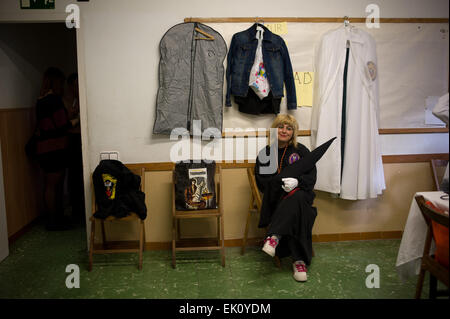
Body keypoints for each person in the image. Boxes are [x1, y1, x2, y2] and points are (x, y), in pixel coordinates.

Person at [255, 114, 317, 282]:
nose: (284, 131)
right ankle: (299, 261)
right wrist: (280, 187)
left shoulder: (301, 151)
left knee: (297, 198)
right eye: (281, 127)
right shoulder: (266, 153)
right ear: (275, 130)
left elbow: (311, 177)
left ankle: (274, 236)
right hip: (276, 200)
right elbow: (262, 182)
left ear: (293, 132)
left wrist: (298, 181)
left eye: (289, 128)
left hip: (302, 196)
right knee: (298, 208)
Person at [35, 67, 73, 230]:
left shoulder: (41, 100)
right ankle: (54, 220)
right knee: (53, 185)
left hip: (44, 147)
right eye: (62, 83)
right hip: (55, 147)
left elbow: (49, 123)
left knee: (50, 184)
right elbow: (61, 125)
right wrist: (75, 120)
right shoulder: (54, 100)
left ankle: (54, 218)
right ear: (57, 82)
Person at [63, 73, 85, 223]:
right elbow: (65, 124)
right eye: (74, 85)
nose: (76, 87)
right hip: (72, 140)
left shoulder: (84, 97)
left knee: (82, 175)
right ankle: (76, 211)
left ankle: (83, 209)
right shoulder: (66, 101)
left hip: (81, 139)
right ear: (70, 86)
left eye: (78, 84)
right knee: (74, 176)